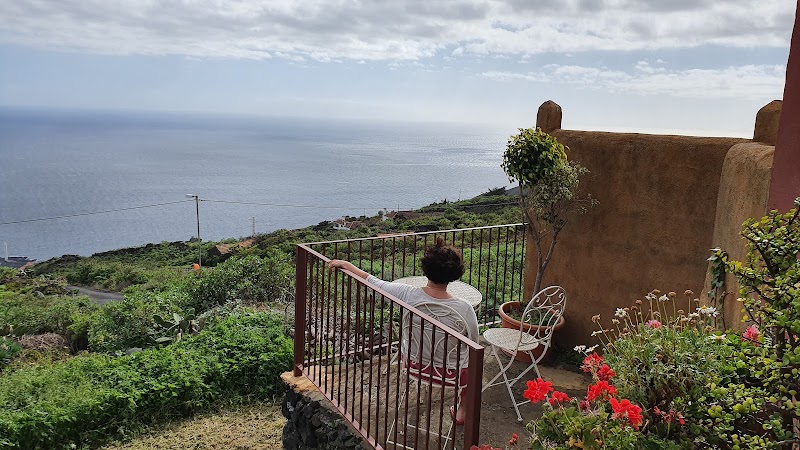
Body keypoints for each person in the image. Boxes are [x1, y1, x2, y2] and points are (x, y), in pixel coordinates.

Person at [327, 237, 479, 425]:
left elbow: (373, 282)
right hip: (451, 373)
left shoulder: (408, 294)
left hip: (414, 365)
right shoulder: (464, 307)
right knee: (473, 366)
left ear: (426, 269)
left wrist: (346, 264)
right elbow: (474, 343)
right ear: (455, 274)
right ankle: (462, 410)